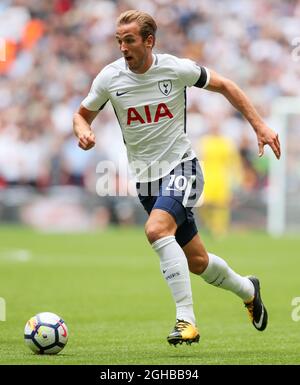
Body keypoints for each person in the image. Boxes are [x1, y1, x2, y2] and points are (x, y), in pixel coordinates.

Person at [73, 10, 281, 346]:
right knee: (197, 261)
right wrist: (83, 131)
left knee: (156, 230)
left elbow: (226, 85)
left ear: (149, 41)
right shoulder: (109, 78)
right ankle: (248, 289)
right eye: (119, 41)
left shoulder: (175, 68)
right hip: (146, 181)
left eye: (129, 40)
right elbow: (82, 115)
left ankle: (186, 320)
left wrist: (259, 125)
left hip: (182, 167)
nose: (123, 47)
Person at [196, 120, 243, 238]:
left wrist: (237, 177)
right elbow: (197, 159)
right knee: (205, 204)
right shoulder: (204, 141)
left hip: (222, 176)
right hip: (206, 175)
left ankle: (220, 229)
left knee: (222, 204)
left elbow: (234, 161)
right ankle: (209, 224)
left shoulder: (227, 142)